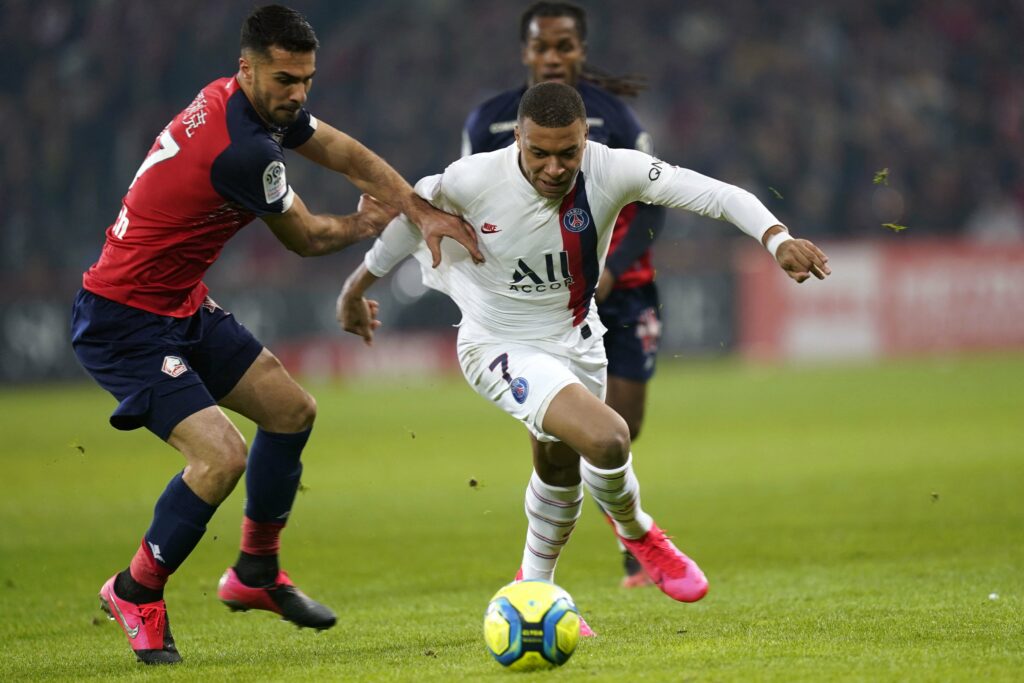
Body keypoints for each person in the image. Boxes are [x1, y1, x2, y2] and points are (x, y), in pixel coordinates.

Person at [71, 5, 481, 666]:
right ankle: (134, 590)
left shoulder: (246, 104)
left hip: (179, 304)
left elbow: (343, 152)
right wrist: (365, 224)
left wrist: (418, 209)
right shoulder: (244, 151)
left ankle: (255, 571)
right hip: (124, 321)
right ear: (248, 68)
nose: (297, 93)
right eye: (285, 79)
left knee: (291, 411)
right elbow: (307, 238)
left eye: (306, 80)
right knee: (220, 458)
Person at [338, 82, 830, 634]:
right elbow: (405, 224)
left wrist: (776, 237)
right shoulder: (469, 180)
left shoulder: (612, 168)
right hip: (496, 344)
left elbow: (713, 193)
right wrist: (355, 290)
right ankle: (639, 531)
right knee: (608, 438)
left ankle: (535, 588)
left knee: (558, 467)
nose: (554, 168)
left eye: (567, 153)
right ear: (517, 138)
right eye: (539, 153)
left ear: (585, 139)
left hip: (578, 337)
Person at [462, 1, 667, 587]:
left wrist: (612, 268)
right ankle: (621, 551)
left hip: (624, 289)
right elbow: (470, 205)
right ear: (525, 51)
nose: (552, 56)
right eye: (542, 46)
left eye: (564, 45)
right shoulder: (489, 122)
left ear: (581, 50)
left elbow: (653, 209)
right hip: (544, 299)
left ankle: (591, 545)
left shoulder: (616, 119)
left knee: (621, 425)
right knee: (566, 430)